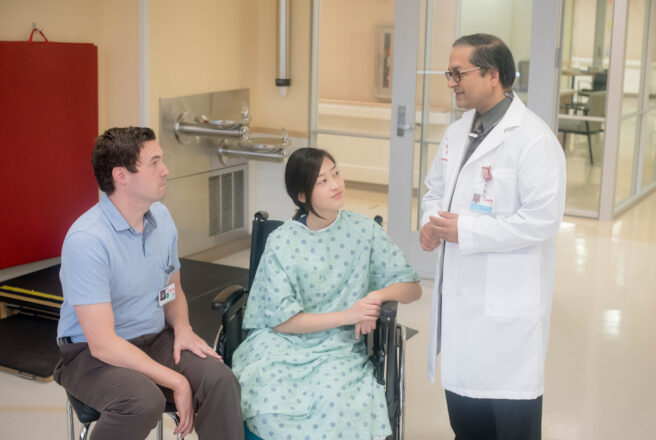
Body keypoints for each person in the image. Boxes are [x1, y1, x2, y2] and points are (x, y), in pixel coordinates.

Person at [54, 127, 243, 440]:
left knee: (220, 381)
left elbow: (171, 289)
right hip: (92, 355)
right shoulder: (87, 241)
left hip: (156, 340)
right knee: (142, 402)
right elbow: (102, 343)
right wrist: (177, 381)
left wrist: (183, 329)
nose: (165, 170)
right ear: (121, 175)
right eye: (154, 162)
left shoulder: (162, 218)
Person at [420, 34, 566, 440]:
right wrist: (431, 225)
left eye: (458, 73)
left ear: (493, 75)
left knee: (511, 427)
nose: (451, 82)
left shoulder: (533, 140)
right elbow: (435, 191)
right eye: (449, 74)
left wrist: (464, 230)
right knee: (466, 425)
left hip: (507, 318)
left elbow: (542, 220)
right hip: (462, 311)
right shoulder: (456, 134)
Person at [231, 147, 422, 440]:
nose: (336, 184)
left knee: (336, 404)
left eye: (336, 173)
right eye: (322, 180)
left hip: (338, 347)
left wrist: (375, 298)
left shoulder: (363, 231)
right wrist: (349, 314)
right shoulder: (282, 241)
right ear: (302, 195)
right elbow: (283, 322)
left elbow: (412, 288)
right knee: (266, 394)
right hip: (280, 343)